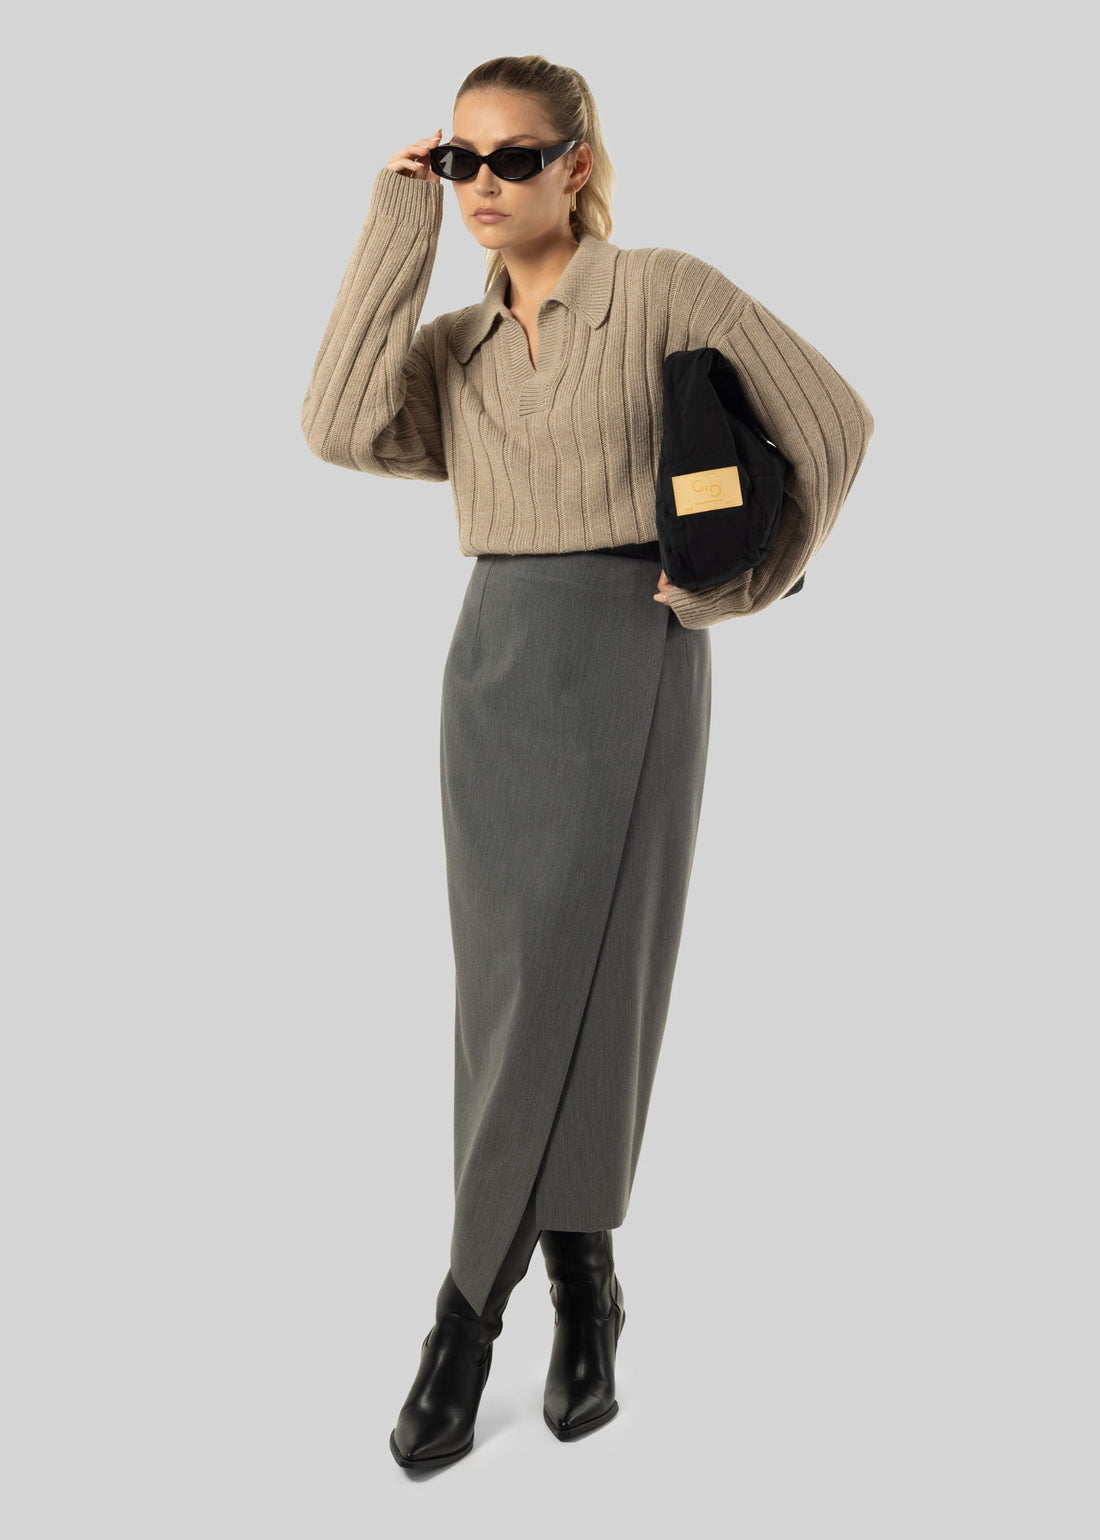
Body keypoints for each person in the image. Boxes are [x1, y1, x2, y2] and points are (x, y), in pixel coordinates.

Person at [300, 54, 874, 1474]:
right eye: (460, 161)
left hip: (634, 655)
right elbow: (338, 424)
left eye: (513, 157)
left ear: (577, 162)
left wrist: (740, 587)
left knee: (597, 984)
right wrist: (395, 221)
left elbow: (834, 422)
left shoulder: (661, 291)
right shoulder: (458, 347)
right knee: (509, 992)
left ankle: (465, 1316)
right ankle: (584, 1283)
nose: (483, 184)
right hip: (492, 663)